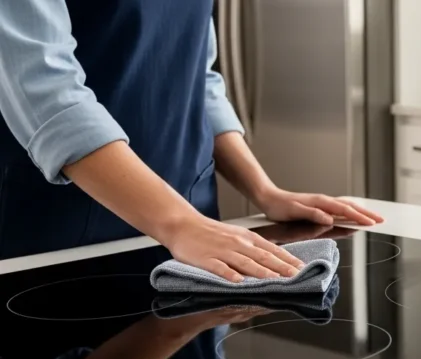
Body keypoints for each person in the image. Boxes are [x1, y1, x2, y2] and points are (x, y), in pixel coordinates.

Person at [0, 1, 383, 282]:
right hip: (60, 237)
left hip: (196, 227)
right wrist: (179, 224)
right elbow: (44, 88)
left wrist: (263, 191)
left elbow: (198, 78)